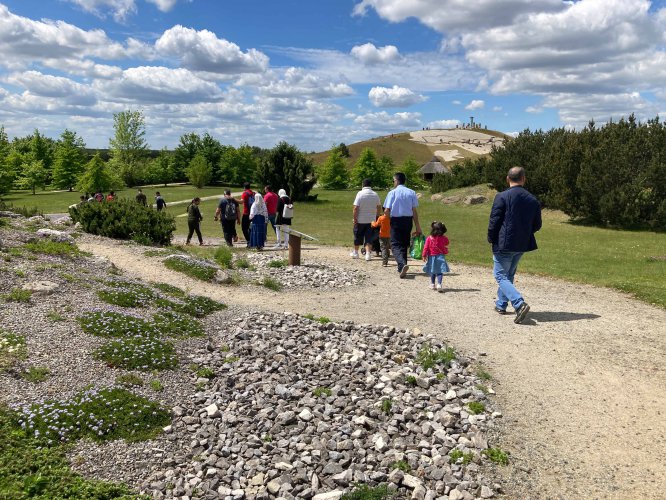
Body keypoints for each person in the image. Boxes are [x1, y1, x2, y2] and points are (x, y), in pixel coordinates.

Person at [487, 166, 542, 324]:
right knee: (509, 274)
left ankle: (519, 303)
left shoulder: (502, 196)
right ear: (523, 179)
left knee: (500, 275)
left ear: (507, 178)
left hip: (504, 242)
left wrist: (491, 238)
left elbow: (494, 221)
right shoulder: (532, 199)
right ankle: (501, 304)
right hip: (522, 243)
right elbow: (537, 225)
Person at [383, 172, 422, 278]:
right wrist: (417, 226)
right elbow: (414, 211)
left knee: (395, 244)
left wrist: (389, 218)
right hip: (408, 220)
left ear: (396, 180)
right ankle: (402, 267)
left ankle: (402, 264)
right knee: (404, 243)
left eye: (393, 181)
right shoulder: (412, 192)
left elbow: (386, 210)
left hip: (396, 220)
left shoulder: (392, 193)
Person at [351, 179, 381, 261]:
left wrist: (355, 218)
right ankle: (368, 254)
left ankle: (356, 253)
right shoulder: (375, 194)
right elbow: (379, 207)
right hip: (371, 220)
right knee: (369, 238)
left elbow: (356, 208)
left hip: (360, 220)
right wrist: (377, 216)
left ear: (363, 185)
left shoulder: (360, 194)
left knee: (357, 236)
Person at [422, 221, 450, 292]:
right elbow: (447, 242)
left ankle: (432, 284)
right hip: (440, 256)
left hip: (431, 257)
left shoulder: (429, 238)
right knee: (440, 271)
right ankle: (439, 284)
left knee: (433, 271)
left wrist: (424, 255)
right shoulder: (443, 238)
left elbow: (426, 247)